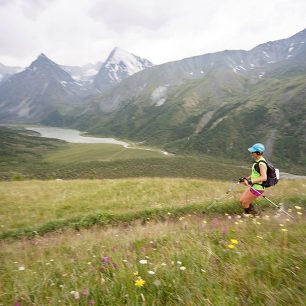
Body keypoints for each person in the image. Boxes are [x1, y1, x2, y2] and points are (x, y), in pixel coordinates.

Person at [239, 143, 267, 215]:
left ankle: (249, 216)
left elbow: (264, 177)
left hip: (258, 187)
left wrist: (250, 181)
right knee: (241, 200)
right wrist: (246, 178)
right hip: (253, 185)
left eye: (253, 151)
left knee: (245, 202)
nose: (251, 153)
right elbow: (255, 174)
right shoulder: (257, 161)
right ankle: (255, 212)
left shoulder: (261, 163)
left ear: (258, 152)